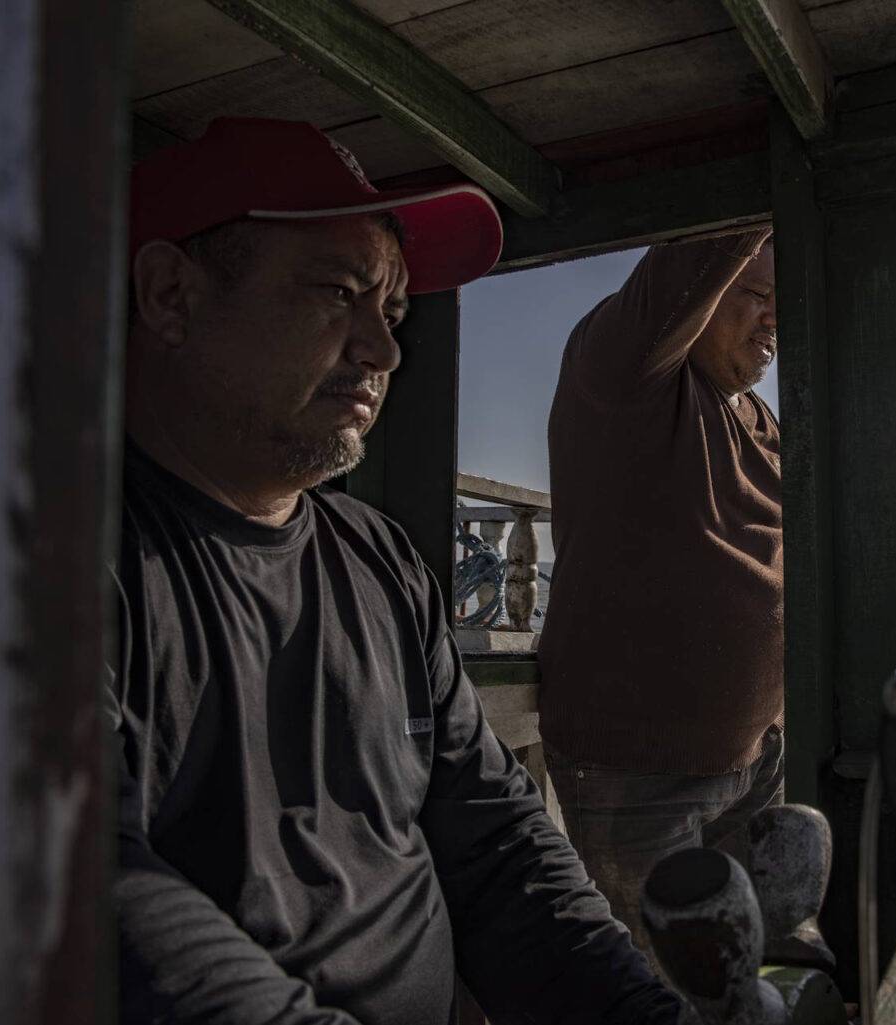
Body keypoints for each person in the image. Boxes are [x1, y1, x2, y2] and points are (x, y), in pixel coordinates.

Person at [109, 117, 681, 1025]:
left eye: (394, 312)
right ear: (171, 295)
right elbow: (86, 893)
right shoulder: (39, 563)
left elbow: (498, 845)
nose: (383, 350)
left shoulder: (379, 560)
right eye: (340, 293)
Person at [537, 229, 784, 954]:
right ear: (702, 298)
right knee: (663, 980)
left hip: (755, 755)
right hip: (640, 773)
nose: (775, 317)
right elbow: (702, 246)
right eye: (756, 294)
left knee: (744, 969)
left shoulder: (758, 417)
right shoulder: (623, 370)